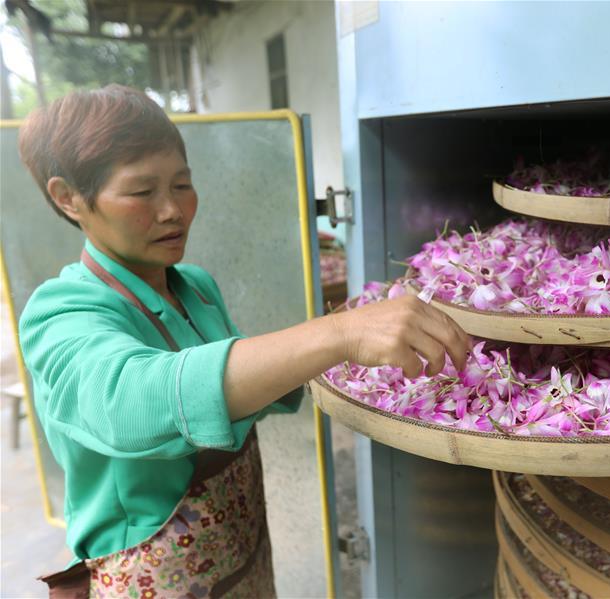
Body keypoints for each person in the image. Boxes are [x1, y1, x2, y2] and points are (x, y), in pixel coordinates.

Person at [17, 84, 470, 598]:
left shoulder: (195, 286)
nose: (173, 210)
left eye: (182, 184)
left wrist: (355, 346)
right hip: (153, 580)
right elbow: (131, 400)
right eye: (142, 193)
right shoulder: (61, 312)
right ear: (68, 198)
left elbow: (243, 389)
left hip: (243, 558)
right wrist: (338, 333)